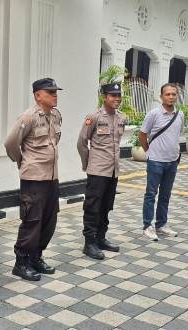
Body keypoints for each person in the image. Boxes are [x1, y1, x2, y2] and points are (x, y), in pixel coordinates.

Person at [4, 78, 63, 281]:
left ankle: (36, 257)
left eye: (56, 92)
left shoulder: (55, 115)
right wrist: (22, 161)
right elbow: (11, 143)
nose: (55, 95)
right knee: (32, 220)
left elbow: (55, 141)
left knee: (49, 219)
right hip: (34, 178)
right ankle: (21, 263)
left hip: (52, 176)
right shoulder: (28, 117)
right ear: (38, 95)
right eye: (50, 92)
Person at [77, 83, 126, 260]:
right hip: (97, 170)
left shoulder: (122, 117)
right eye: (113, 95)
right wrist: (87, 164)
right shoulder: (94, 117)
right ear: (104, 97)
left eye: (118, 95)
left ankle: (101, 237)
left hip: (113, 171)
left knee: (106, 206)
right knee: (92, 207)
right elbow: (82, 142)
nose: (117, 99)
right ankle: (89, 243)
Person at [138, 83, 184, 241]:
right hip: (156, 161)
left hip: (172, 162)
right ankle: (147, 226)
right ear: (161, 97)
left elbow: (177, 135)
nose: (171, 97)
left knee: (166, 195)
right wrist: (149, 152)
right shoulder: (154, 114)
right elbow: (142, 134)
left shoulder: (180, 115)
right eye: (168, 94)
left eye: (174, 94)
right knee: (151, 194)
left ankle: (161, 225)